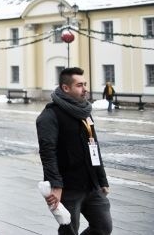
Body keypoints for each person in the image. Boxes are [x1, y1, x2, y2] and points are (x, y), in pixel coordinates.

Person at [36, 67, 112, 234]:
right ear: (66, 88)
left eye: (84, 84)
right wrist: (55, 185)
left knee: (103, 227)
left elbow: (94, 146)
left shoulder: (84, 112)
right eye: (79, 85)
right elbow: (48, 153)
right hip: (68, 188)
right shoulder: (50, 116)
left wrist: (102, 179)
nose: (85, 89)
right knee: (69, 231)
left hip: (92, 185)